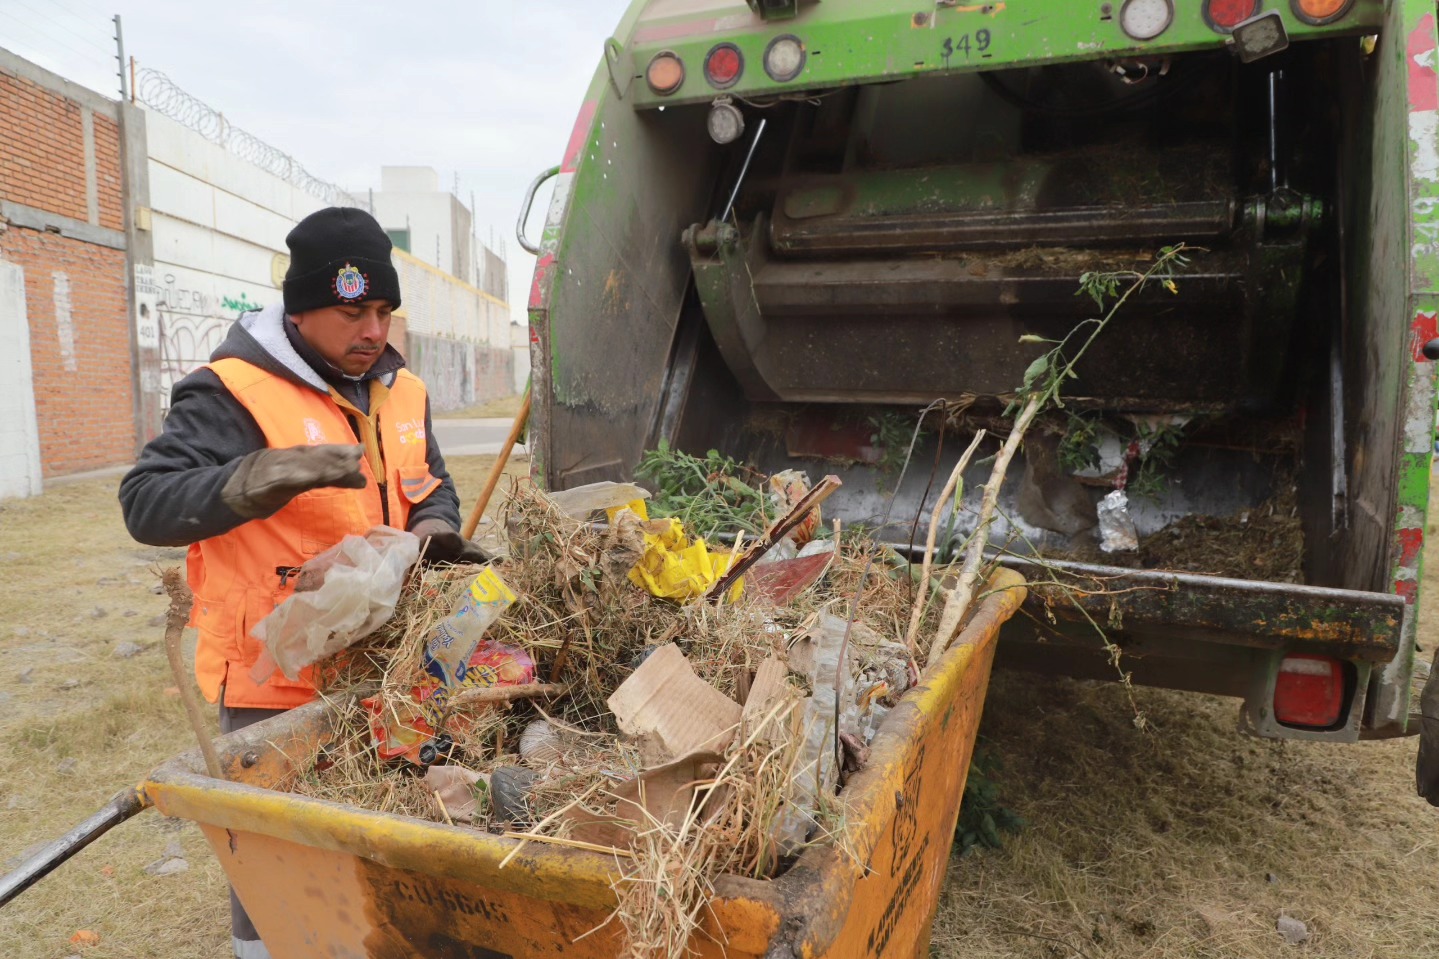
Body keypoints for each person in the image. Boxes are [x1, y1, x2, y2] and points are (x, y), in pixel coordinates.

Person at [119, 206, 485, 959]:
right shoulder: (232, 391)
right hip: (272, 681)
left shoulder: (400, 391)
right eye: (353, 311)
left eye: (383, 311)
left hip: (385, 667)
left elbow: (433, 487)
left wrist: (423, 536)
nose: (373, 330)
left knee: (387, 846)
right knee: (278, 866)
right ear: (301, 308)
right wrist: (256, 477)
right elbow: (146, 502)